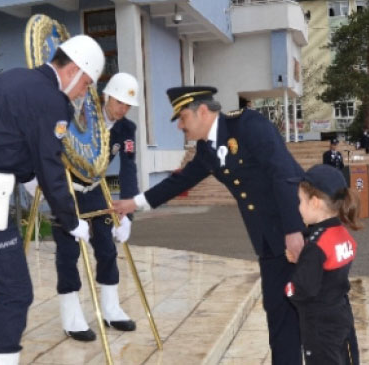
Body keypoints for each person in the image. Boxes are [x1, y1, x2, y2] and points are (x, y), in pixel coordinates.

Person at [0, 35, 104, 365]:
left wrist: (26, 176)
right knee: (14, 293)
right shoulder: (52, 100)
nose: (84, 92)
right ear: (75, 72)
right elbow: (52, 168)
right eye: (86, 84)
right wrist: (71, 221)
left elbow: (2, 140)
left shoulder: (12, 77)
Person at [113, 86, 306, 364]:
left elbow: (284, 174)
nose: (180, 126)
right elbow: (180, 181)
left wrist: (293, 230)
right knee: (278, 312)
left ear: (202, 111)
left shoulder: (248, 125)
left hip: (298, 230)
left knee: (321, 311)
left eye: (182, 118)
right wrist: (134, 203)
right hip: (269, 241)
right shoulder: (207, 149)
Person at [27, 72, 140, 341]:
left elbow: (128, 169)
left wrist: (128, 212)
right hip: (66, 192)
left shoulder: (127, 130)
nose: (122, 109)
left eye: (127, 105)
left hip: (96, 190)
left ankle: (111, 308)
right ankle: (72, 315)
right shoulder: (81, 117)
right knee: (68, 253)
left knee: (107, 249)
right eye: (119, 102)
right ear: (106, 96)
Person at [284, 164, 361, 365]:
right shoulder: (342, 234)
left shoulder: (316, 246)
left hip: (319, 326)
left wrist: (288, 288)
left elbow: (303, 289)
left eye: (300, 201)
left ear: (315, 203)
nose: (298, 207)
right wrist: (305, 260)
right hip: (341, 316)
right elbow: (328, 270)